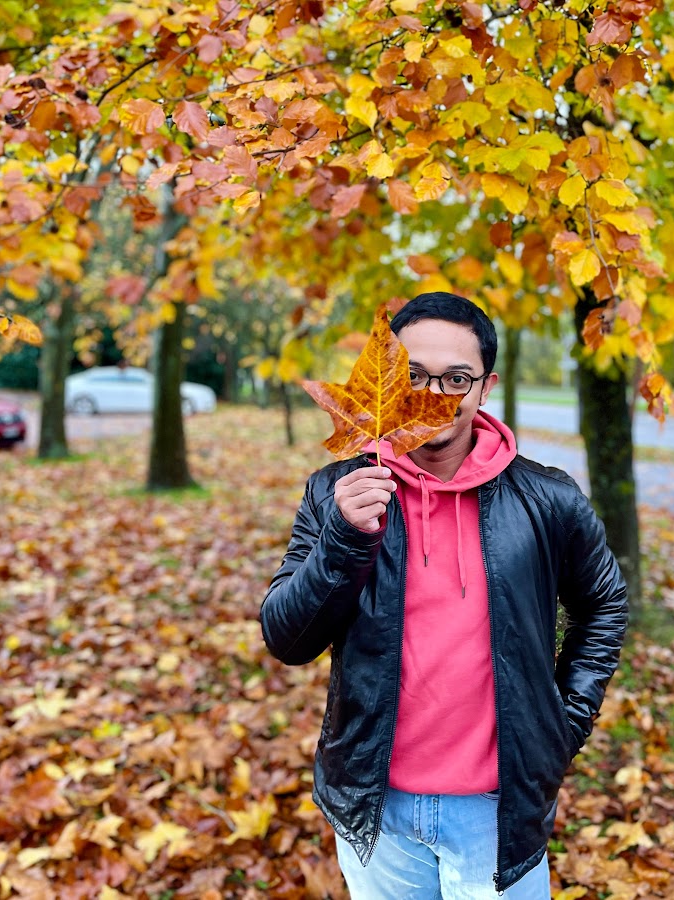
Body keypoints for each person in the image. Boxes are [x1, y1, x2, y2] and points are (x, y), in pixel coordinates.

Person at [260, 292, 628, 898]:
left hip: (497, 810)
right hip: (376, 808)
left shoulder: (548, 499)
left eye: (457, 379)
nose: (434, 396)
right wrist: (343, 540)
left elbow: (604, 605)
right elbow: (287, 639)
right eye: (414, 376)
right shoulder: (337, 492)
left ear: (486, 387)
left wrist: (564, 724)